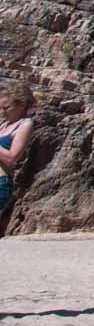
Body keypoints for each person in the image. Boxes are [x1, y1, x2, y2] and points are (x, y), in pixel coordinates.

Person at [0, 82, 34, 227]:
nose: (2, 112)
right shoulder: (3, 125)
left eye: (6, 108)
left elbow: (11, 158)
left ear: (21, 105)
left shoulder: (25, 124)